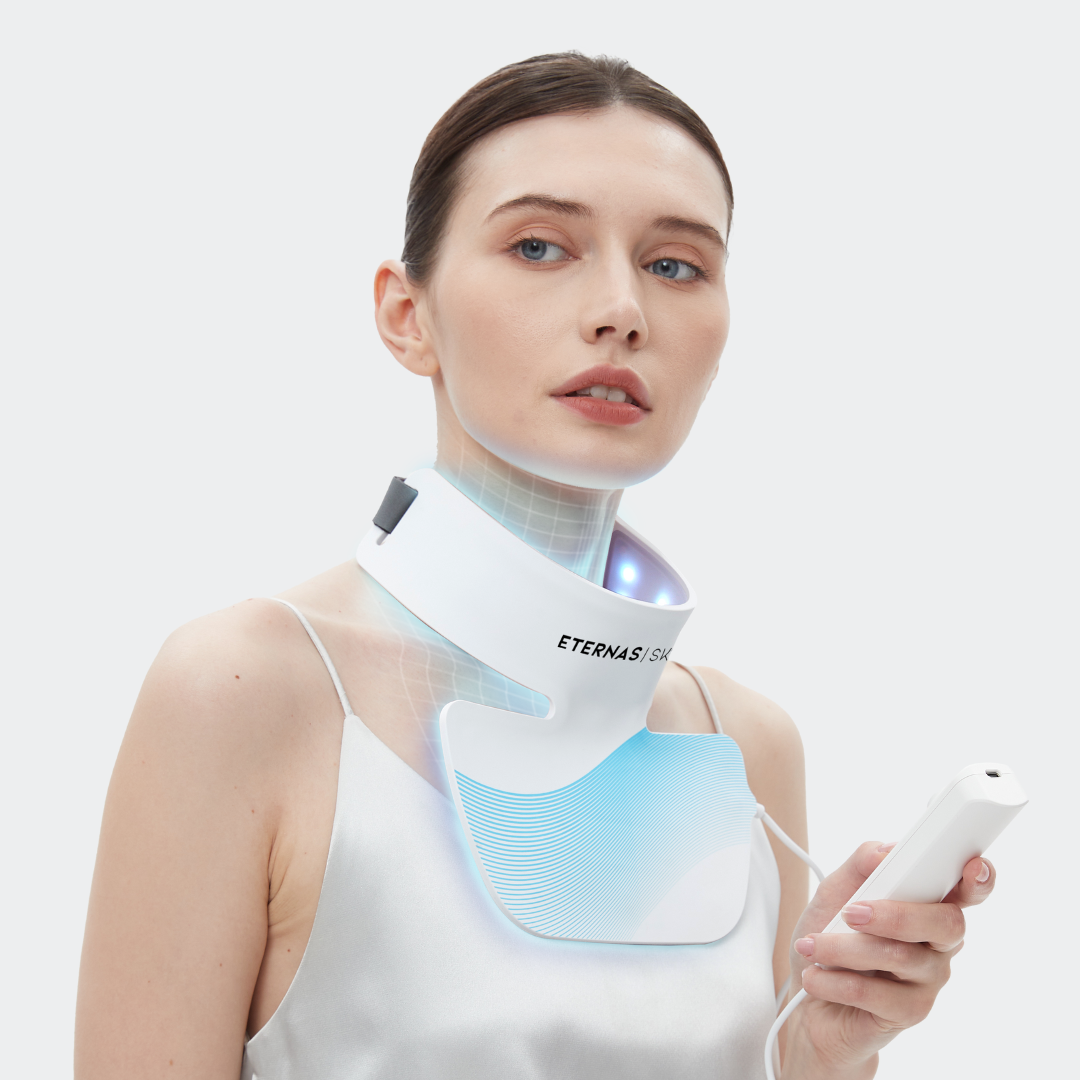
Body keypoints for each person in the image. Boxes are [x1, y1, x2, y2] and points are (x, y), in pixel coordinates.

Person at [75, 52, 997, 1079]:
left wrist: (824, 1051)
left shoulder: (748, 743)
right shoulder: (246, 688)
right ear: (406, 315)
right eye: (540, 246)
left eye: (675, 265)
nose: (622, 309)